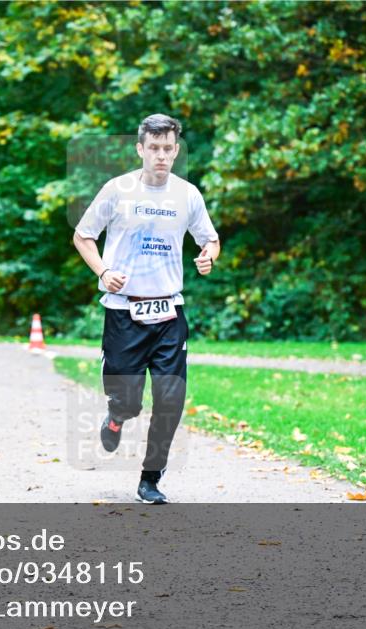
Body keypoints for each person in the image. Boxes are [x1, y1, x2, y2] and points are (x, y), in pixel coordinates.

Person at [72, 113, 220, 505]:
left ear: (176, 150)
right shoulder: (117, 190)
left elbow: (211, 239)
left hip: (170, 313)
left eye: (168, 148)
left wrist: (208, 256)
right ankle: (117, 416)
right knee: (130, 400)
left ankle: (150, 478)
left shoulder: (187, 195)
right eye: (153, 148)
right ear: (140, 149)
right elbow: (83, 235)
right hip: (124, 312)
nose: (161, 156)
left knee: (171, 398)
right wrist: (103, 271)